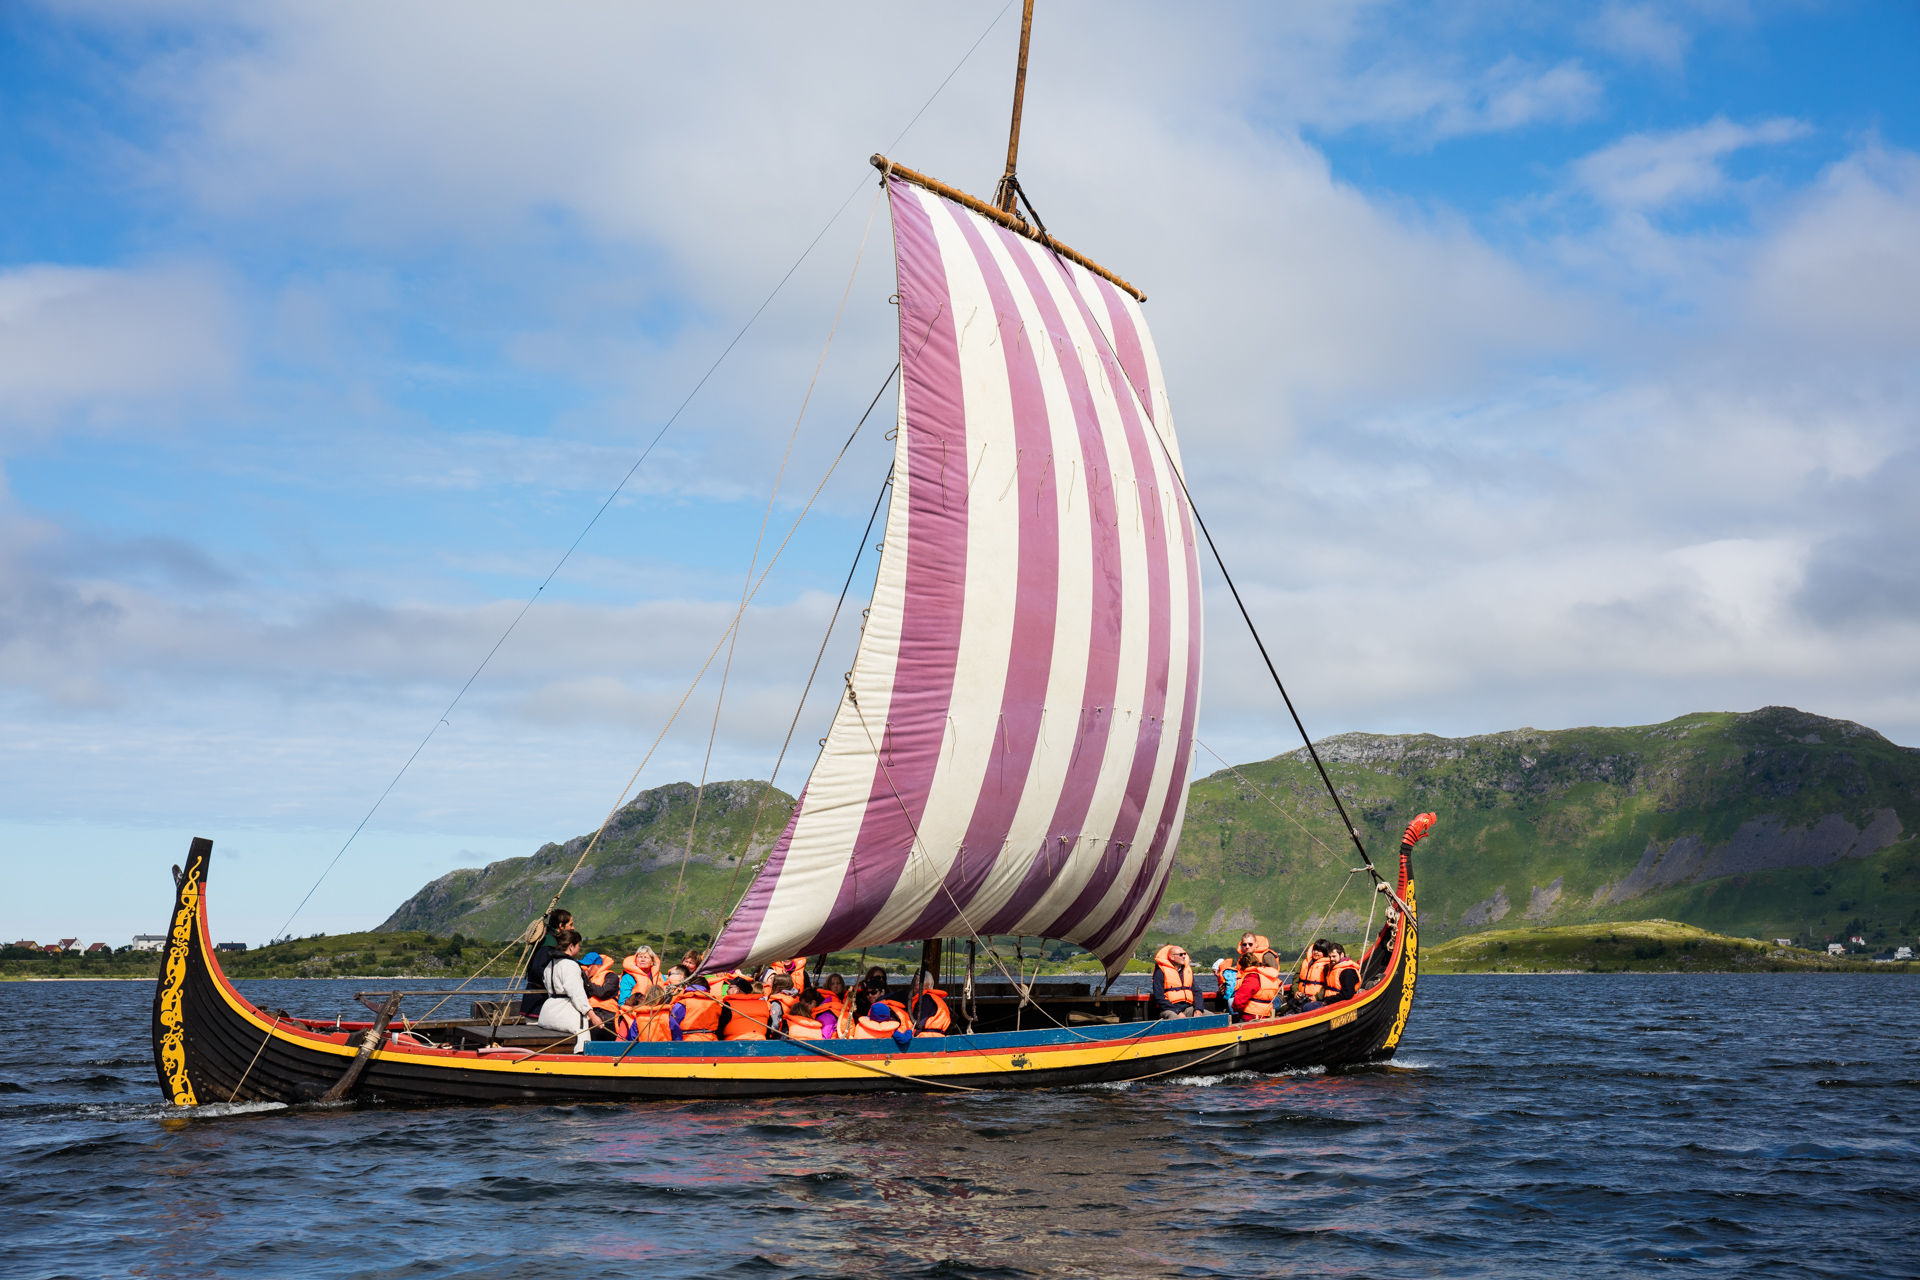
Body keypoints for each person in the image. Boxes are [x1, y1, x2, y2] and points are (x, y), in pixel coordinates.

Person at [535, 928, 603, 1052]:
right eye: (578, 945)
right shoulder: (570, 965)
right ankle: (580, 1055)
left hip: (547, 1013)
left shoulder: (550, 964)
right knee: (582, 1033)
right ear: (571, 946)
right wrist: (593, 1016)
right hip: (566, 1013)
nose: (579, 948)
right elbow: (577, 993)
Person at [518, 908, 574, 1018]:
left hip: (538, 1000)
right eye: (570, 925)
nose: (573, 928)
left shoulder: (547, 939)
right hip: (538, 1002)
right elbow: (537, 969)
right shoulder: (549, 943)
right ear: (561, 926)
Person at [668, 972, 721, 1042]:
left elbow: (673, 1025)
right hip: (712, 1042)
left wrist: (678, 1042)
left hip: (688, 1042)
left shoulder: (682, 1004)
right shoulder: (716, 1004)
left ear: (687, 986)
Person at [1233, 950, 1285, 1021]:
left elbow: (1239, 1000)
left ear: (1244, 966)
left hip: (1250, 1016)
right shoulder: (1268, 976)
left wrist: (1235, 1009)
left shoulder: (1252, 978)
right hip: (1266, 1014)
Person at [1150, 944, 1196, 1018]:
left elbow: (1197, 991)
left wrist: (1199, 1009)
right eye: (1181, 954)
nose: (1184, 956)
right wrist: (1177, 1011)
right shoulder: (1160, 971)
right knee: (1174, 1017)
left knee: (1208, 1015)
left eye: (1184, 954)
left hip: (1187, 1007)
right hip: (1168, 1008)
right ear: (1172, 957)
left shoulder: (1187, 971)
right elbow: (1159, 997)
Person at [720, 976, 773, 1041]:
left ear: (737, 990)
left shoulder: (729, 1005)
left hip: (734, 1043)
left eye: (729, 988)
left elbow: (720, 1027)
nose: (726, 990)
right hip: (760, 1041)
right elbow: (769, 1025)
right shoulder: (764, 1005)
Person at [907, 971, 952, 1036]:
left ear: (927, 985)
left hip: (927, 1038)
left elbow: (919, 1025)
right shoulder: (934, 999)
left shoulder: (926, 999)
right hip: (937, 1037)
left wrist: (908, 1035)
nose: (914, 989)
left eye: (916, 985)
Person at [1292, 940, 1332, 1011]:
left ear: (1325, 953)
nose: (1316, 952)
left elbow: (1328, 985)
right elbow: (1296, 979)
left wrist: (1317, 997)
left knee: (1306, 1007)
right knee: (1287, 1006)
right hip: (1301, 997)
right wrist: (1296, 992)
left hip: (1316, 999)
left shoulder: (1327, 966)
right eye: (1315, 950)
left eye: (1319, 951)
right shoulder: (1305, 963)